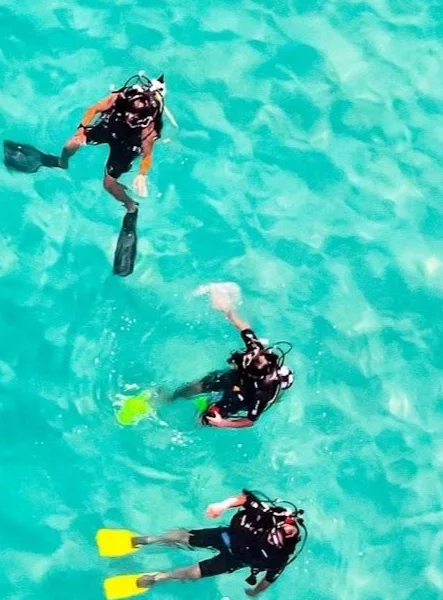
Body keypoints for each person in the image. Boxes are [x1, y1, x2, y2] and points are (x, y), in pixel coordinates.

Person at [104, 491, 305, 600]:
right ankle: (146, 541)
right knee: (181, 536)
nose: (289, 530)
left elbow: (269, 579)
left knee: (190, 573)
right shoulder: (269, 515)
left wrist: (257, 591)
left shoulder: (279, 558)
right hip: (226, 537)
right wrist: (222, 505)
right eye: (287, 527)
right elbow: (245, 499)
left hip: (233, 559)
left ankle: (155, 577)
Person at [59, 73, 164, 274]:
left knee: (108, 185)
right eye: (130, 114)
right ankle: (61, 163)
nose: (132, 119)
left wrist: (142, 174)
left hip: (127, 145)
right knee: (71, 144)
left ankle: (132, 208)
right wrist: (81, 129)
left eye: (137, 118)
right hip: (110, 128)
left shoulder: (147, 130)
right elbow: (93, 109)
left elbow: (147, 156)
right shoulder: (118, 100)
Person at [164, 284, 294, 428]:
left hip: (244, 396)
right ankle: (171, 398)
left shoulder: (262, 392)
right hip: (236, 379)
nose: (246, 356)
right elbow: (245, 328)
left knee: (207, 419)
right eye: (249, 355)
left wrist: (223, 422)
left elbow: (250, 421)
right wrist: (227, 310)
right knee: (195, 387)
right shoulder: (256, 350)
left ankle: (206, 412)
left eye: (246, 362)